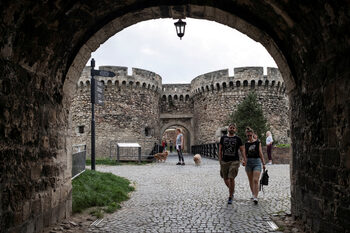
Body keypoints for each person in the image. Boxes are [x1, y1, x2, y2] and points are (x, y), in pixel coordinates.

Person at [219, 123, 247, 204]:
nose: (232, 129)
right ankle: (232, 190)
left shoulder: (238, 139)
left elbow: (242, 150)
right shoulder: (223, 138)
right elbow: (220, 149)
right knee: (225, 178)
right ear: (228, 129)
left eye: (233, 128)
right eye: (230, 127)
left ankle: (230, 196)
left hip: (235, 161)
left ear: (235, 130)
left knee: (231, 178)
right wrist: (220, 160)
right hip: (224, 161)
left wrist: (244, 159)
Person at [245, 127, 266, 204]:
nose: (249, 137)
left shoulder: (257, 143)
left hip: (257, 162)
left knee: (255, 180)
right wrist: (243, 161)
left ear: (253, 135)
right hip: (249, 163)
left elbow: (260, 153)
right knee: (250, 180)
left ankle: (256, 197)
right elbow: (244, 155)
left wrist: (263, 163)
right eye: (248, 136)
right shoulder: (246, 144)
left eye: (250, 135)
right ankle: (253, 194)